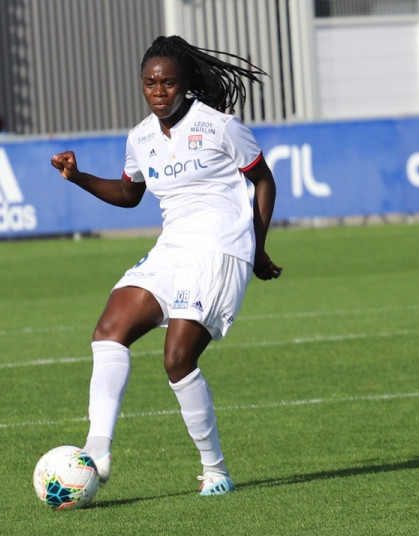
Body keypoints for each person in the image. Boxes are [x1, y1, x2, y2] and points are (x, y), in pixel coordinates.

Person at [50, 35, 282, 496]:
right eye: (150, 83)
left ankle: (215, 469)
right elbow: (128, 194)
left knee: (177, 359)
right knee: (109, 329)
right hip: (172, 247)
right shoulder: (140, 138)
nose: (158, 91)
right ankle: (97, 449)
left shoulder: (220, 126)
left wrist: (256, 247)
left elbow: (263, 180)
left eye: (168, 83)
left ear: (185, 83)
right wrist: (77, 177)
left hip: (219, 250)